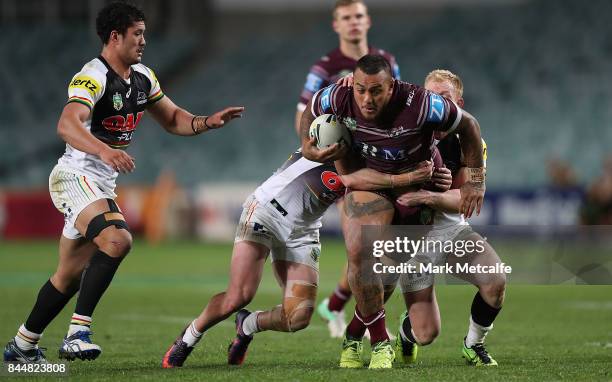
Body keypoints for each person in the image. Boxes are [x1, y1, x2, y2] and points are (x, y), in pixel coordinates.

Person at [2, 1, 244, 364]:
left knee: (67, 277)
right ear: (115, 37)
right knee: (117, 239)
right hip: (75, 176)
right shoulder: (92, 76)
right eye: (138, 34)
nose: (144, 41)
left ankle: (22, 346)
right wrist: (103, 150)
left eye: (144, 33)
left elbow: (173, 118)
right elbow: (67, 125)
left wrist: (207, 121)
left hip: (99, 184)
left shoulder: (143, 77)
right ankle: (77, 333)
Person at [161, 148, 435, 368]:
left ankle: (247, 325)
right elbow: (349, 177)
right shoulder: (339, 134)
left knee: (298, 317)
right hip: (267, 212)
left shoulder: (374, 152)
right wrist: (406, 179)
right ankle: (189, 337)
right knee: (239, 295)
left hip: (304, 229)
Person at [300, 55, 486, 369]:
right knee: (360, 252)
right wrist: (307, 146)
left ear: (392, 86)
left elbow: (469, 125)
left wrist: (476, 183)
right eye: (361, 90)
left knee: (386, 278)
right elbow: (310, 111)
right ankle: (381, 343)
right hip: (369, 182)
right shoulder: (338, 95)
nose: (366, 99)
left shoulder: (424, 105)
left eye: (375, 91)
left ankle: (353, 334)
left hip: (413, 189)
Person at [295, 0, 400, 339]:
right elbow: (304, 115)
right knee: (365, 244)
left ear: (367, 21)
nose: (353, 23)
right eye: (346, 18)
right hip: (341, 165)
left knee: (372, 245)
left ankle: (339, 306)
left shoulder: (386, 62)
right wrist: (318, 150)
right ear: (336, 25)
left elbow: (396, 111)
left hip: (377, 161)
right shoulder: (324, 67)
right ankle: (369, 321)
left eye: (358, 16)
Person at [391, 69, 505, 367]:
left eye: (445, 98)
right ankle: (407, 330)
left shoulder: (470, 142)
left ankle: (473, 343)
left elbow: (466, 201)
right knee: (426, 334)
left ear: (459, 103)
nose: (437, 105)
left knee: (495, 281)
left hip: (452, 232)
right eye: (431, 97)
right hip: (412, 240)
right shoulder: (404, 130)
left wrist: (430, 196)